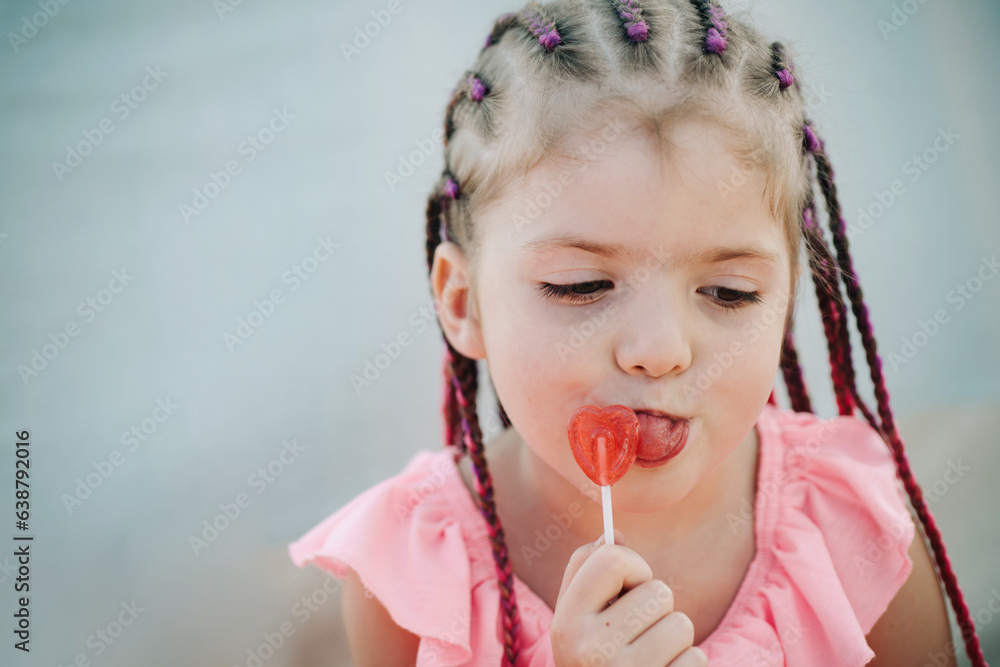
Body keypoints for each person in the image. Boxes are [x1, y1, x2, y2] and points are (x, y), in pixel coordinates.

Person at [288, 1, 987, 664]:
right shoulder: (408, 574)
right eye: (579, 285)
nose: (659, 351)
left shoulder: (856, 529)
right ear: (462, 300)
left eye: (730, 292)